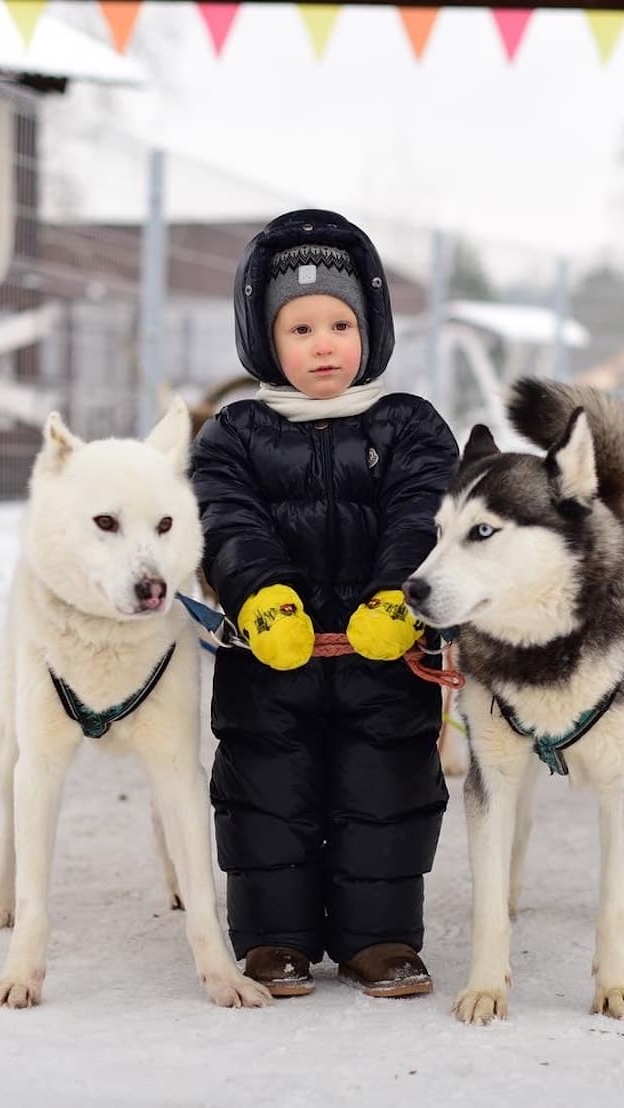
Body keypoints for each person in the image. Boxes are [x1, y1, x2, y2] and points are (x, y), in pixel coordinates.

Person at [190, 209, 459, 998]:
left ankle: (379, 941)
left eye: (340, 323)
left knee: (387, 790)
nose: (323, 344)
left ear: (369, 329)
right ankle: (275, 939)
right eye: (300, 327)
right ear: (264, 339)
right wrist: (262, 594)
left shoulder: (408, 425)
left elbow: (423, 511)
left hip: (387, 656)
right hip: (271, 659)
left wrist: (397, 596)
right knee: (267, 793)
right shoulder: (234, 433)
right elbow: (224, 517)